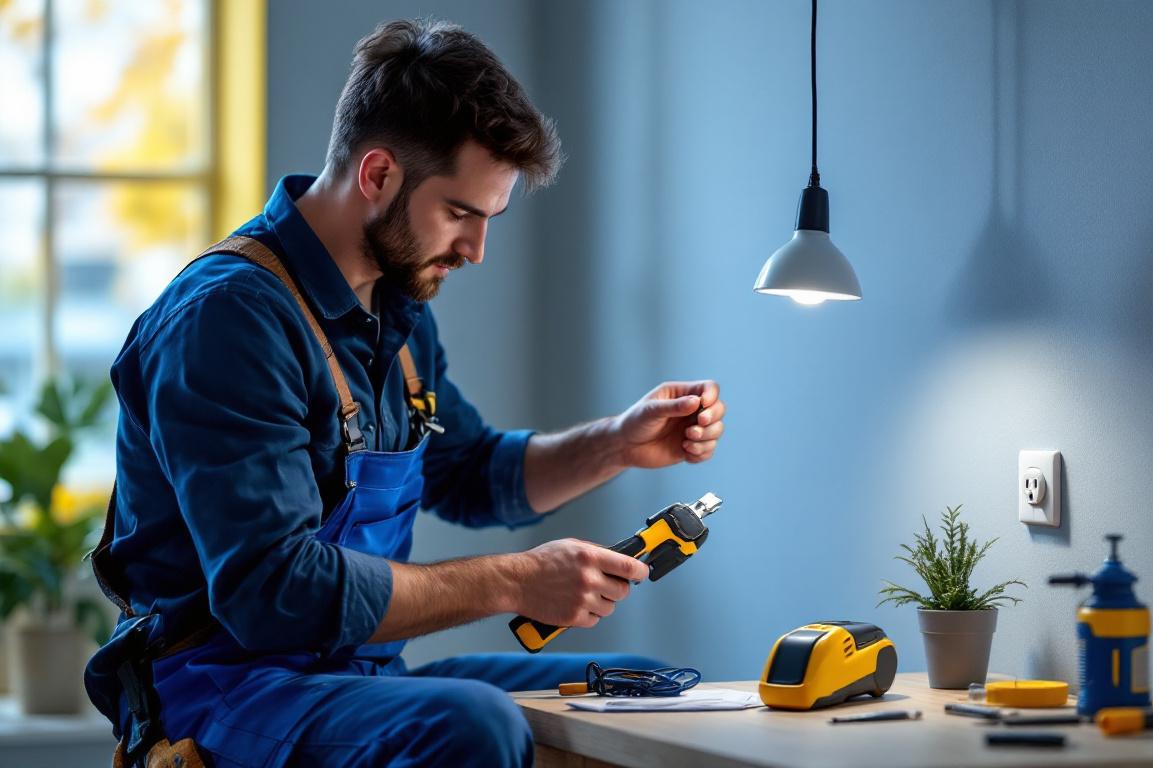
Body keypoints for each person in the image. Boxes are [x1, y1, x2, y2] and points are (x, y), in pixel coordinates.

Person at [83, 18, 726, 767]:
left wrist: (616, 441)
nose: (476, 250)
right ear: (379, 174)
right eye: (460, 214)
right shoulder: (228, 319)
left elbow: (475, 476)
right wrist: (517, 581)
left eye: (489, 220)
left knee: (648, 692)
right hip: (223, 688)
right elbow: (273, 591)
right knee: (472, 725)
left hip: (357, 675)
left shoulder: (398, 313)